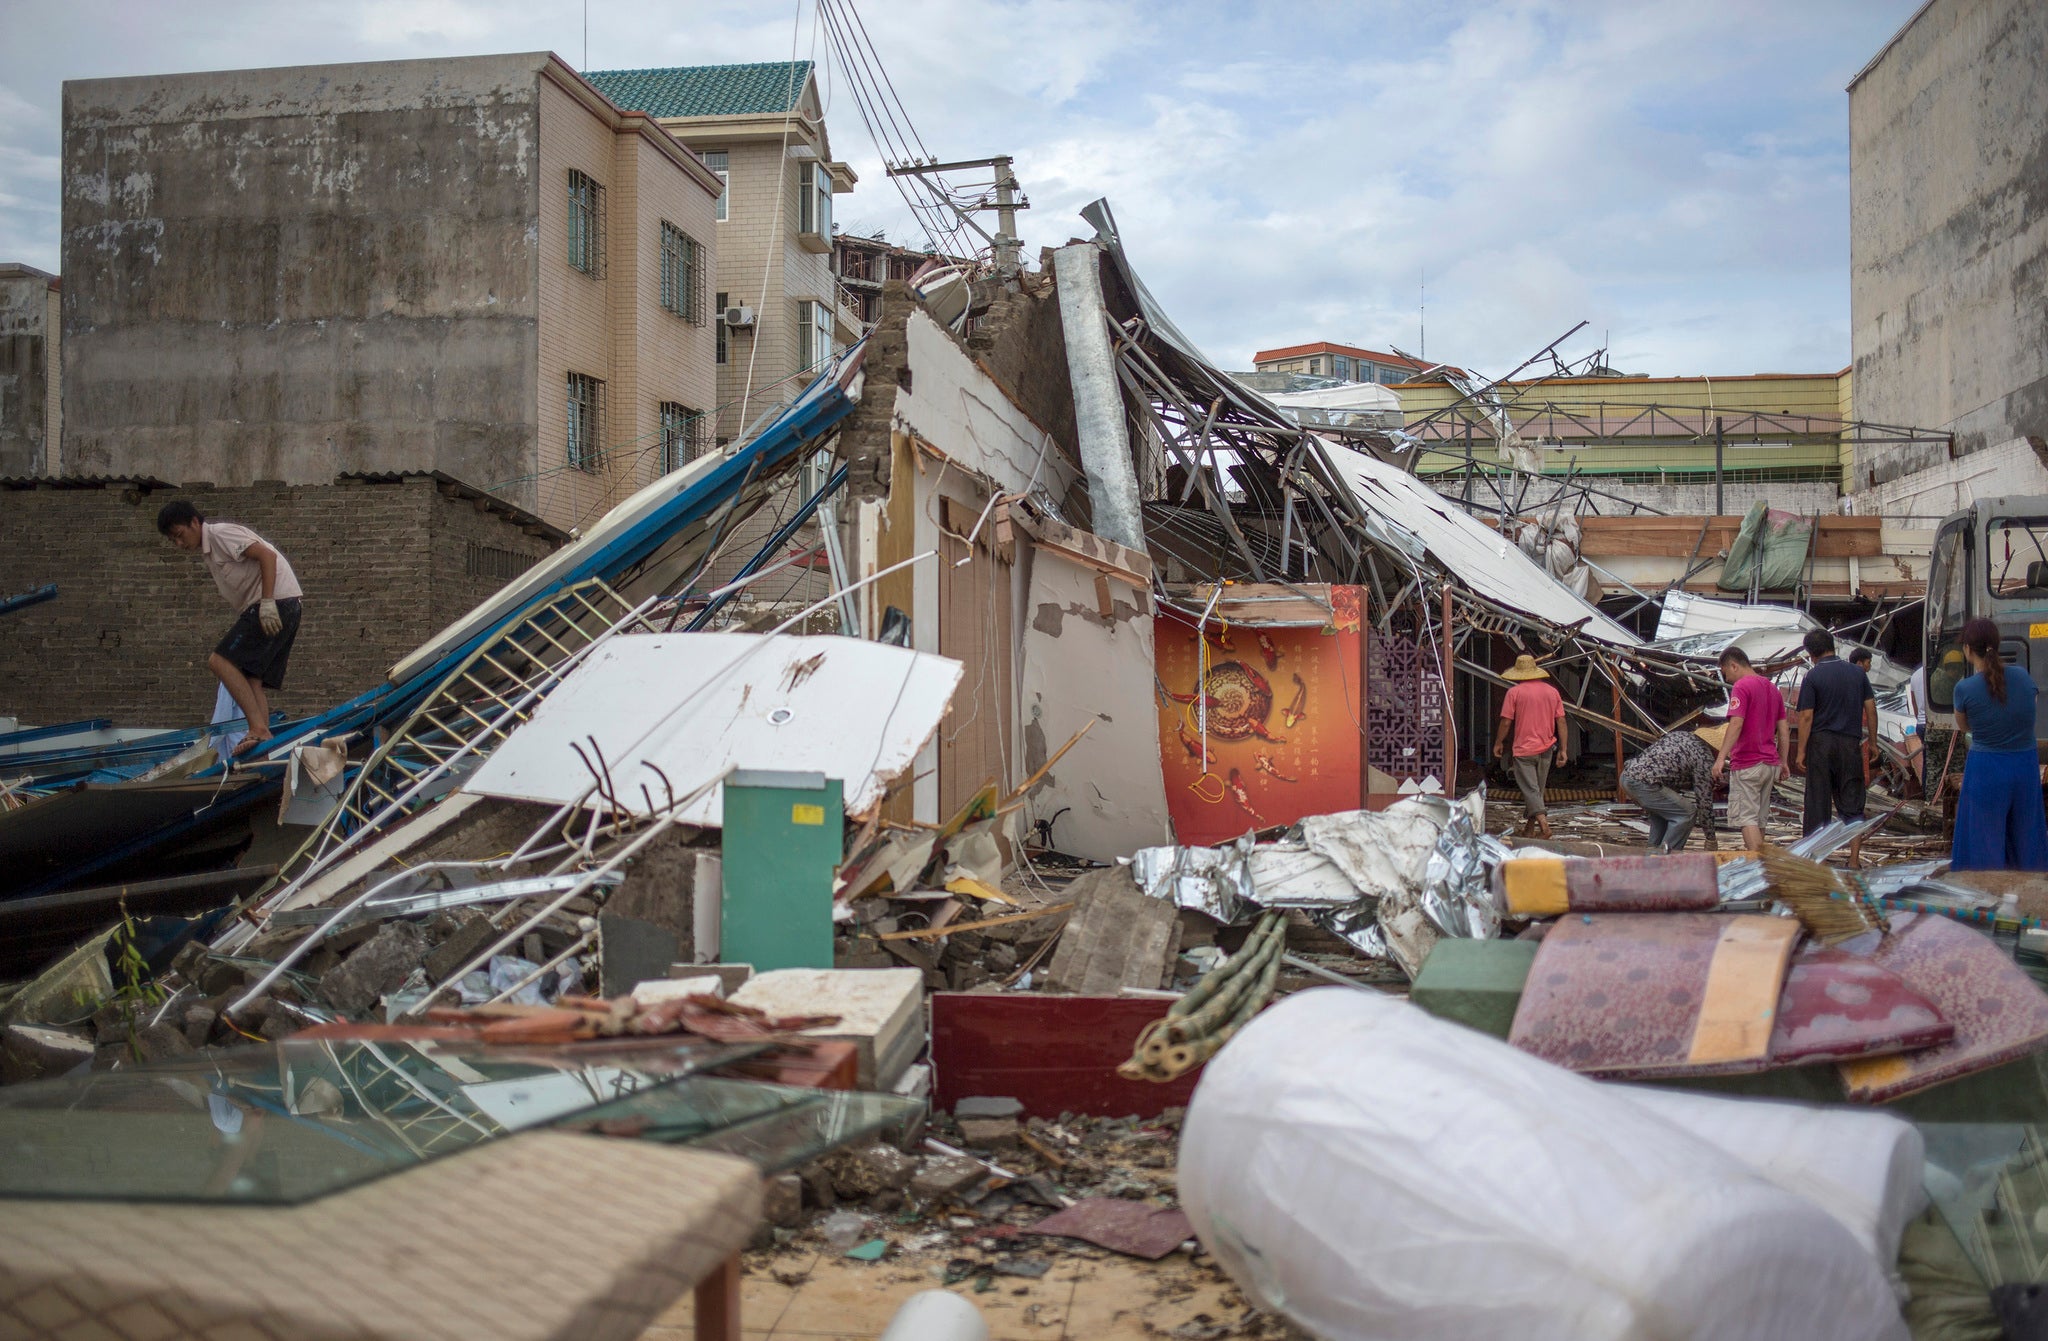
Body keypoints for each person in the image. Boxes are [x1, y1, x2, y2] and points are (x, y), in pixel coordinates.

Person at [157, 500, 303, 757]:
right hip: (282, 604)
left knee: (219, 661)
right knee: (250, 677)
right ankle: (263, 740)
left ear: (194, 522)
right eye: (173, 541)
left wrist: (267, 602)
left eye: (180, 535)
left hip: (275, 603)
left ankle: (257, 728)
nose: (179, 544)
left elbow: (266, 556)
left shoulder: (220, 534)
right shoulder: (210, 549)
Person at [1950, 617, 2048, 870]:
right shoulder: (2023, 677)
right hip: (2025, 765)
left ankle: (1986, 903)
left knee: (1984, 843)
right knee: (2028, 838)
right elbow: (2029, 712)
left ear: (1968, 649)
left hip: (1987, 768)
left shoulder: (1965, 689)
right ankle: (2031, 899)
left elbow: (1965, 726)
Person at [1795, 627, 1877, 865]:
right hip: (1850, 743)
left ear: (1811, 654)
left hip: (1821, 744)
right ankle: (1853, 859)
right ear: (1832, 646)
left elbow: (1806, 717)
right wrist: (1872, 742)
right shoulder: (1858, 673)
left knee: (1818, 803)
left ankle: (1815, 860)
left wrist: (1800, 751)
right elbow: (1870, 709)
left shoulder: (1812, 676)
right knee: (1853, 801)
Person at [1710, 646, 1789, 853]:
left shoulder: (1742, 687)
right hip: (1770, 764)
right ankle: (1762, 869)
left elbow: (1736, 723)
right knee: (1759, 820)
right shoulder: (1772, 688)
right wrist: (1784, 761)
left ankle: (1761, 868)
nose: (1727, 679)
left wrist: (1720, 758)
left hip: (1748, 763)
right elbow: (1783, 730)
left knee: (1746, 819)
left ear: (1734, 665)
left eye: (1726, 673)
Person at [1493, 654, 1567, 839]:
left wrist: (1499, 742)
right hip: (1547, 747)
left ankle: (1544, 826)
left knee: (1531, 790)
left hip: (1524, 749)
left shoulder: (1515, 693)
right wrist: (1564, 749)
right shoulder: (1552, 692)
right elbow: (1562, 721)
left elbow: (1506, 722)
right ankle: (1529, 829)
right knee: (1536, 791)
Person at [1622, 723, 1721, 854]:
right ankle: (1665, 859)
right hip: (1644, 782)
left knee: (1662, 816)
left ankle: (1651, 856)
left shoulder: (1681, 735)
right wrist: (1711, 838)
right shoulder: (1704, 757)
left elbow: (1668, 769)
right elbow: (1704, 803)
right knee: (1687, 813)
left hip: (1626, 776)